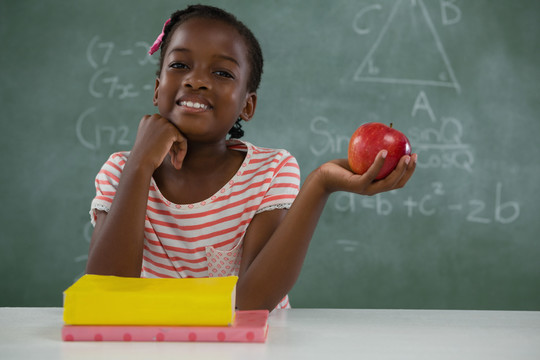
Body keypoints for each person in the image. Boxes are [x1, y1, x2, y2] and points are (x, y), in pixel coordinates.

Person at [85, 5, 417, 311]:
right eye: (180, 65)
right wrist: (140, 163)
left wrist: (321, 184)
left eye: (223, 73)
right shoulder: (120, 171)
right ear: (157, 90)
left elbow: (251, 304)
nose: (196, 80)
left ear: (248, 105)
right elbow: (108, 294)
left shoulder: (270, 172)